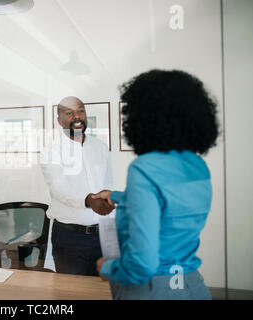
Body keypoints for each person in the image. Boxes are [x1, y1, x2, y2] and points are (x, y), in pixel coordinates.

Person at [94, 70, 218, 300]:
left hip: (153, 290)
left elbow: (142, 265)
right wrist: (117, 196)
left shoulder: (145, 167)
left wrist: (108, 268)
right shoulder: (198, 166)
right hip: (191, 285)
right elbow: (171, 206)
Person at [40, 96, 114, 276]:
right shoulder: (51, 151)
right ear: (59, 120)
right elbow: (59, 189)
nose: (77, 116)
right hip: (70, 238)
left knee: (101, 291)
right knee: (71, 294)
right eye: (69, 113)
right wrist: (89, 200)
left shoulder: (101, 147)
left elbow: (108, 186)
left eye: (80, 111)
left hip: (101, 236)